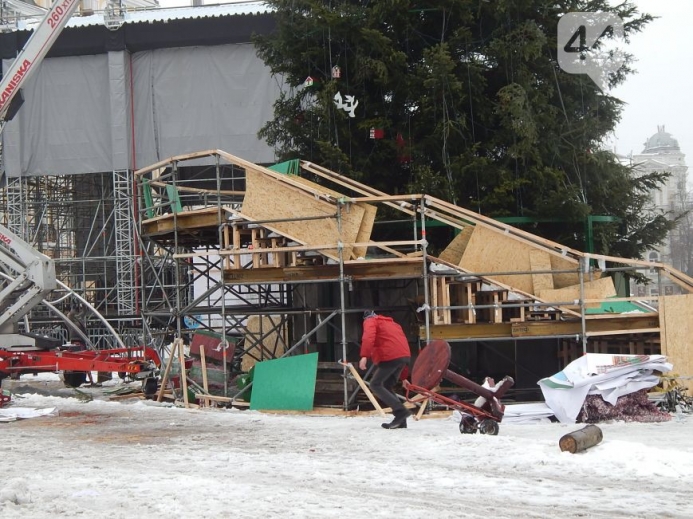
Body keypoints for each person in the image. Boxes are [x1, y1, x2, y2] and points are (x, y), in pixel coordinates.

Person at [359, 310, 412, 429]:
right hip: (403, 356)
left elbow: (368, 337)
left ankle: (400, 412)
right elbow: (401, 344)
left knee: (375, 384)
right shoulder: (393, 324)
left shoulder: (370, 320)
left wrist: (364, 356)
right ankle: (401, 420)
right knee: (387, 384)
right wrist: (404, 377)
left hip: (390, 356)